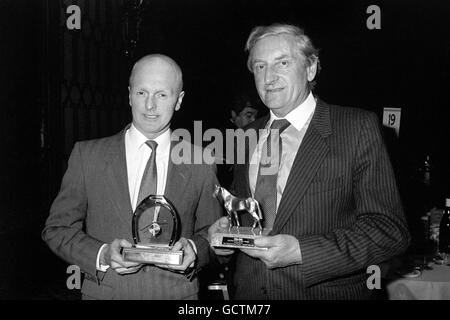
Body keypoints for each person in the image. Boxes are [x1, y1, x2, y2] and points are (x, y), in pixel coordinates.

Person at [209, 23, 411, 299]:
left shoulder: (356, 128)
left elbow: (389, 231)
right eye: (260, 66)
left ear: (311, 68)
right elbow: (248, 219)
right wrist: (224, 243)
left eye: (282, 62)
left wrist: (302, 252)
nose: (269, 77)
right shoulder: (247, 135)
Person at [42, 54, 222, 299]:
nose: (150, 105)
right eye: (141, 93)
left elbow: (213, 233)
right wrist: (103, 254)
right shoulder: (88, 156)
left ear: (178, 100)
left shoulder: (201, 161)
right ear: (129, 95)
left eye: (162, 94)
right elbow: (57, 229)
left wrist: (194, 250)